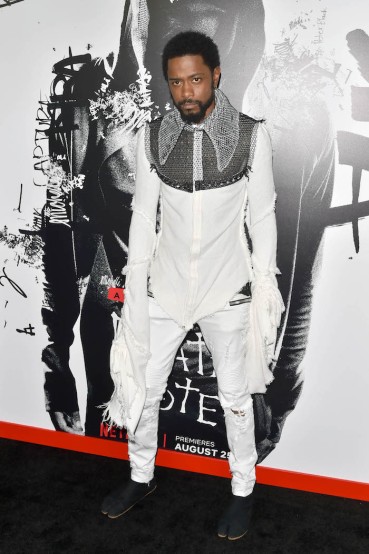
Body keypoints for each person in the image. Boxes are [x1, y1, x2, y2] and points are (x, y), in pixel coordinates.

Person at [101, 31, 283, 541]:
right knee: (142, 387)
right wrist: (136, 285)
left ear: (216, 76)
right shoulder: (153, 135)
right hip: (164, 288)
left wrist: (262, 289)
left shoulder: (251, 136)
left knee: (236, 397)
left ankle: (243, 489)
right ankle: (141, 476)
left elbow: (263, 217)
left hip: (227, 291)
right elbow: (142, 216)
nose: (186, 92)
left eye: (196, 80)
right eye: (177, 82)